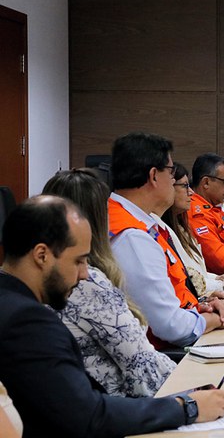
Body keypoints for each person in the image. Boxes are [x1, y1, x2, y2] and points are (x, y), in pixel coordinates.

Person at [0, 196, 224, 437]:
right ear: (42, 256)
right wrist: (186, 407)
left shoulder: (10, 301)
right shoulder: (26, 321)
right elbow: (87, 415)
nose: (84, 274)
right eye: (78, 261)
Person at [43, 169, 176, 397]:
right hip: (117, 409)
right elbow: (145, 372)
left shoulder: (35, 276)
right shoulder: (88, 282)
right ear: (99, 218)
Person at [108, 133, 224, 349]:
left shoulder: (130, 218)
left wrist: (200, 306)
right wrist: (217, 320)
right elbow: (171, 328)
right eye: (171, 172)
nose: (174, 181)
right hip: (165, 356)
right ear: (154, 176)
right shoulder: (133, 236)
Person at [158, 163, 224, 295]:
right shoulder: (164, 227)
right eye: (185, 186)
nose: (191, 192)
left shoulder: (180, 226)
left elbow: (195, 271)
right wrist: (220, 284)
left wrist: (216, 278)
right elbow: (184, 278)